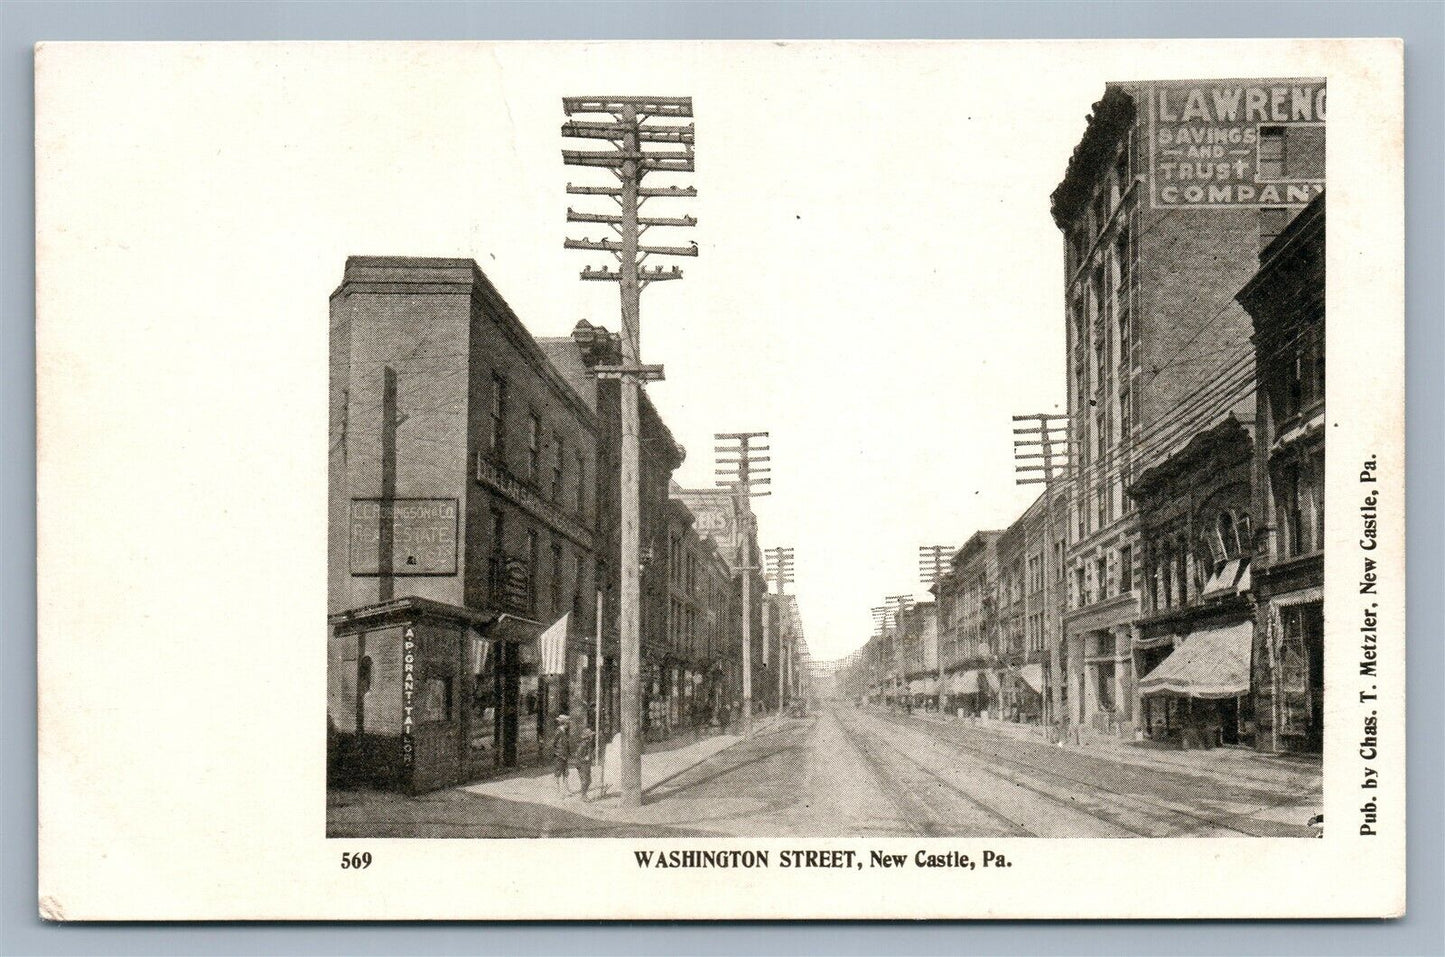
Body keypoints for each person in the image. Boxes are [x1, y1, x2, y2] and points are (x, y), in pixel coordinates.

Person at [573, 718, 596, 801]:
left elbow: (589, 753)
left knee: (589, 781)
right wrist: (585, 758)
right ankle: (583, 796)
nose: (592, 737)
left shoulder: (588, 744)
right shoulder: (583, 745)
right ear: (587, 737)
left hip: (586, 764)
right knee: (585, 780)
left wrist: (591, 756)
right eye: (591, 736)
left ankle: (584, 795)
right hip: (582, 765)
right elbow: (578, 756)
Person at [551, 714, 572, 798]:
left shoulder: (564, 731)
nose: (569, 724)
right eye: (568, 723)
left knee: (566, 773)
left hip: (564, 755)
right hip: (559, 756)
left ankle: (566, 790)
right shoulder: (558, 731)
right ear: (564, 723)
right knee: (558, 774)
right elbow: (554, 743)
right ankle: (558, 791)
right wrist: (558, 753)